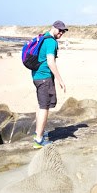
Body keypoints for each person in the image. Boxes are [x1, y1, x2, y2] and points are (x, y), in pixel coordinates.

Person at [32, 20, 68, 149]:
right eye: (59, 30)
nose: (61, 33)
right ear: (53, 28)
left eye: (63, 31)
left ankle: (38, 133)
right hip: (44, 78)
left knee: (40, 104)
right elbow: (50, 62)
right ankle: (39, 140)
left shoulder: (43, 37)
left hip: (36, 76)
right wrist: (60, 80)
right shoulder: (51, 41)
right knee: (44, 107)